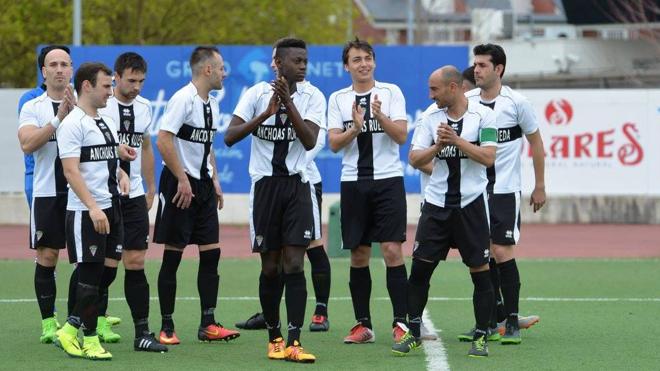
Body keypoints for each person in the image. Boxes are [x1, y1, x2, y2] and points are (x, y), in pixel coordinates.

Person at [225, 37, 324, 363]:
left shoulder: (313, 97)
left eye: (305, 61)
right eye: (296, 61)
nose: (303, 66)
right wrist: (266, 112)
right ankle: (274, 337)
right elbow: (229, 137)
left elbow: (309, 141)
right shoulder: (254, 94)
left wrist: (288, 104)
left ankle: (295, 342)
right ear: (278, 64)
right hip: (265, 188)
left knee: (294, 263)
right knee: (270, 268)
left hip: (297, 186)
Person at [392, 66, 498, 358]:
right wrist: (438, 145)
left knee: (480, 272)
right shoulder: (429, 117)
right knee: (420, 270)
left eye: (435, 89)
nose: (430, 95)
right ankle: (413, 332)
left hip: (472, 205)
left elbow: (488, 157)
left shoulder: (484, 117)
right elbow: (414, 158)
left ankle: (480, 336)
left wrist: (458, 141)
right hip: (436, 205)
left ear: (454, 87)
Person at [154, 46, 239, 346]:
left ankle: (208, 323)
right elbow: (163, 139)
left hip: (201, 187)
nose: (224, 73)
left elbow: (208, 146)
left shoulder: (212, 103)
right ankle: (166, 326)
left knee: (211, 253)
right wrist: (181, 179)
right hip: (179, 186)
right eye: (220, 68)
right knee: (173, 256)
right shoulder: (183, 99)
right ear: (207, 70)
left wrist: (213, 179)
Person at [327, 38, 409, 345]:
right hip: (353, 183)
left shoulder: (391, 93)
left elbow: (401, 136)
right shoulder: (337, 99)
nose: (363, 64)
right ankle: (363, 324)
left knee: (391, 250)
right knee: (359, 254)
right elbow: (334, 143)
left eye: (367, 58)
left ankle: (400, 323)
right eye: (356, 59)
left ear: (374, 61)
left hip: (388, 180)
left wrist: (380, 116)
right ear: (346, 66)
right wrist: (356, 128)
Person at [462, 43, 545, 344]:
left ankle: (511, 320)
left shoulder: (517, 102)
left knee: (501, 251)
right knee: (480, 255)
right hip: (474, 191)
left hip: (505, 189)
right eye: (475, 64)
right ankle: (488, 321)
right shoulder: (467, 100)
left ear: (498, 69)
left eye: (483, 65)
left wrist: (540, 185)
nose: (476, 70)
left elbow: (536, 143)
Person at [55, 62, 137, 360]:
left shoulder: (104, 120)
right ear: (87, 86)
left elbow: (104, 155)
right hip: (86, 212)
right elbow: (70, 171)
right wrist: (92, 208)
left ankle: (75, 329)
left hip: (112, 207)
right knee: (90, 278)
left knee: (106, 275)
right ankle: (84, 338)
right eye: (106, 86)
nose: (111, 91)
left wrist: (121, 167)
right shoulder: (72, 124)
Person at [98, 52, 166, 352]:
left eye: (141, 81)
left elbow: (147, 147)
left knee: (136, 262)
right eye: (131, 80)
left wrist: (151, 188)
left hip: (135, 196)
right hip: (104, 195)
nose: (137, 87)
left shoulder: (144, 107)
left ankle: (142, 333)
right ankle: (87, 321)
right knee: (104, 266)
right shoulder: (102, 105)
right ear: (116, 76)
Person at [17, 46, 74, 344]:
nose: (59, 69)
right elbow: (27, 144)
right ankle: (49, 322)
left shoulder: (86, 102)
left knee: (86, 260)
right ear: (44, 71)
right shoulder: (33, 105)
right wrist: (57, 119)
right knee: (48, 255)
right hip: (47, 192)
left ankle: (79, 321)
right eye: (53, 64)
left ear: (72, 69)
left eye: (65, 63)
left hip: (81, 193)